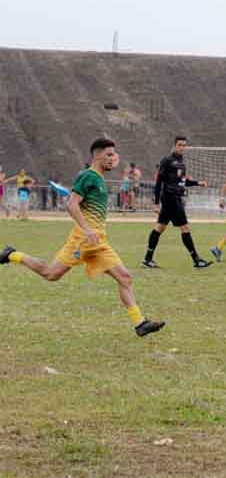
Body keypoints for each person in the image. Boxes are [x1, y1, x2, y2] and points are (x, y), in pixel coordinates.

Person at [0, 138, 165, 337]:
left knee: (125, 278)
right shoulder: (88, 176)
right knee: (51, 274)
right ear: (97, 156)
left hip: (99, 242)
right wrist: (87, 229)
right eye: (109, 155)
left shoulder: (99, 178)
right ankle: (12, 255)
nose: (113, 159)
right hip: (83, 239)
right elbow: (71, 204)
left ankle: (140, 323)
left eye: (114, 155)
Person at [142, 136, 212, 269]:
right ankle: (196, 260)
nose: (182, 147)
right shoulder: (167, 160)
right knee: (185, 228)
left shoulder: (181, 163)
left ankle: (147, 259)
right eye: (179, 145)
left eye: (184, 145)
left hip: (175, 198)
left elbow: (182, 182)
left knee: (159, 227)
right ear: (175, 146)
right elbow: (159, 181)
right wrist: (156, 203)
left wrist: (198, 183)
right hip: (171, 199)